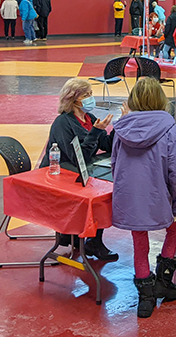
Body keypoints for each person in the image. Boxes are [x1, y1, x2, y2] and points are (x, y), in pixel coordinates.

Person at [111, 78, 176, 319]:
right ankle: (164, 281)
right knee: (174, 228)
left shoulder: (120, 129)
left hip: (130, 198)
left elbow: (115, 166)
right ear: (161, 100)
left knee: (139, 241)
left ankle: (145, 296)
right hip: (161, 197)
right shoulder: (171, 131)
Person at [39, 78, 118, 261]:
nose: (91, 98)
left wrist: (117, 128)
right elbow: (77, 157)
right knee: (97, 191)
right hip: (60, 172)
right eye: (86, 95)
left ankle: (92, 239)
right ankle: (90, 240)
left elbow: (106, 145)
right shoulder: (63, 123)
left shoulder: (88, 118)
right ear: (74, 99)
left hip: (80, 169)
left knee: (106, 186)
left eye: (91, 94)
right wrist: (95, 133)